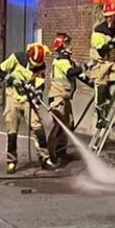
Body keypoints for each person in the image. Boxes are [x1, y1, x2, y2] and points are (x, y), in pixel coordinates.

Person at [0, 42, 54, 173]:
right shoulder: (17, 58)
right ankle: (11, 161)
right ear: (29, 57)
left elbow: (40, 86)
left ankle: (45, 158)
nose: (34, 67)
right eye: (33, 63)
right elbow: (0, 71)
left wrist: (36, 98)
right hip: (12, 97)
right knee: (12, 130)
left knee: (38, 127)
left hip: (27, 99)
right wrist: (11, 80)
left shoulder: (41, 67)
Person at [45, 33, 84, 163]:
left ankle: (61, 152)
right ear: (61, 47)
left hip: (65, 98)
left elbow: (78, 75)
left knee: (68, 124)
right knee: (58, 126)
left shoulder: (69, 61)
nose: (71, 47)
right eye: (68, 44)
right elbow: (71, 72)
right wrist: (86, 66)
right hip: (57, 98)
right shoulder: (61, 61)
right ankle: (51, 155)